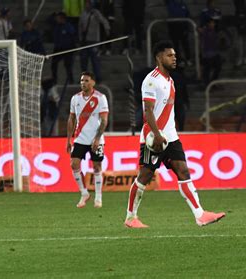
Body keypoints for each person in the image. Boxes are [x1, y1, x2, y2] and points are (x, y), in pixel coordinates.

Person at [124, 41, 225, 228]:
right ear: (159, 58)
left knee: (183, 171)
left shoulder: (170, 80)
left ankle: (200, 215)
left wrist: (171, 130)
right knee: (144, 176)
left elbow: (167, 109)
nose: (174, 58)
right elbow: (148, 111)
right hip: (154, 139)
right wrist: (156, 134)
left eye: (175, 55)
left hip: (170, 137)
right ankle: (130, 217)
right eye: (170, 55)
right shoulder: (151, 80)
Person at [67, 71, 109, 208]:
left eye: (86, 80)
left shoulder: (100, 98)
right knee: (74, 164)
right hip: (80, 138)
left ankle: (98, 197)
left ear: (93, 82)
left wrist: (97, 139)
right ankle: (84, 193)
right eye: (81, 81)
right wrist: (68, 139)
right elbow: (71, 118)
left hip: (95, 139)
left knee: (97, 166)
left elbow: (104, 121)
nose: (83, 83)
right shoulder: (75, 99)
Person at [78, 0, 110, 84]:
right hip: (85, 41)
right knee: (83, 61)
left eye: (88, 3)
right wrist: (80, 37)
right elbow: (80, 25)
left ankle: (98, 78)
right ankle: (84, 79)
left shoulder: (96, 13)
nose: (87, 5)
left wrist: (107, 28)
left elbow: (103, 20)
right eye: (86, 3)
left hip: (94, 40)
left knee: (95, 60)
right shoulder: (83, 13)